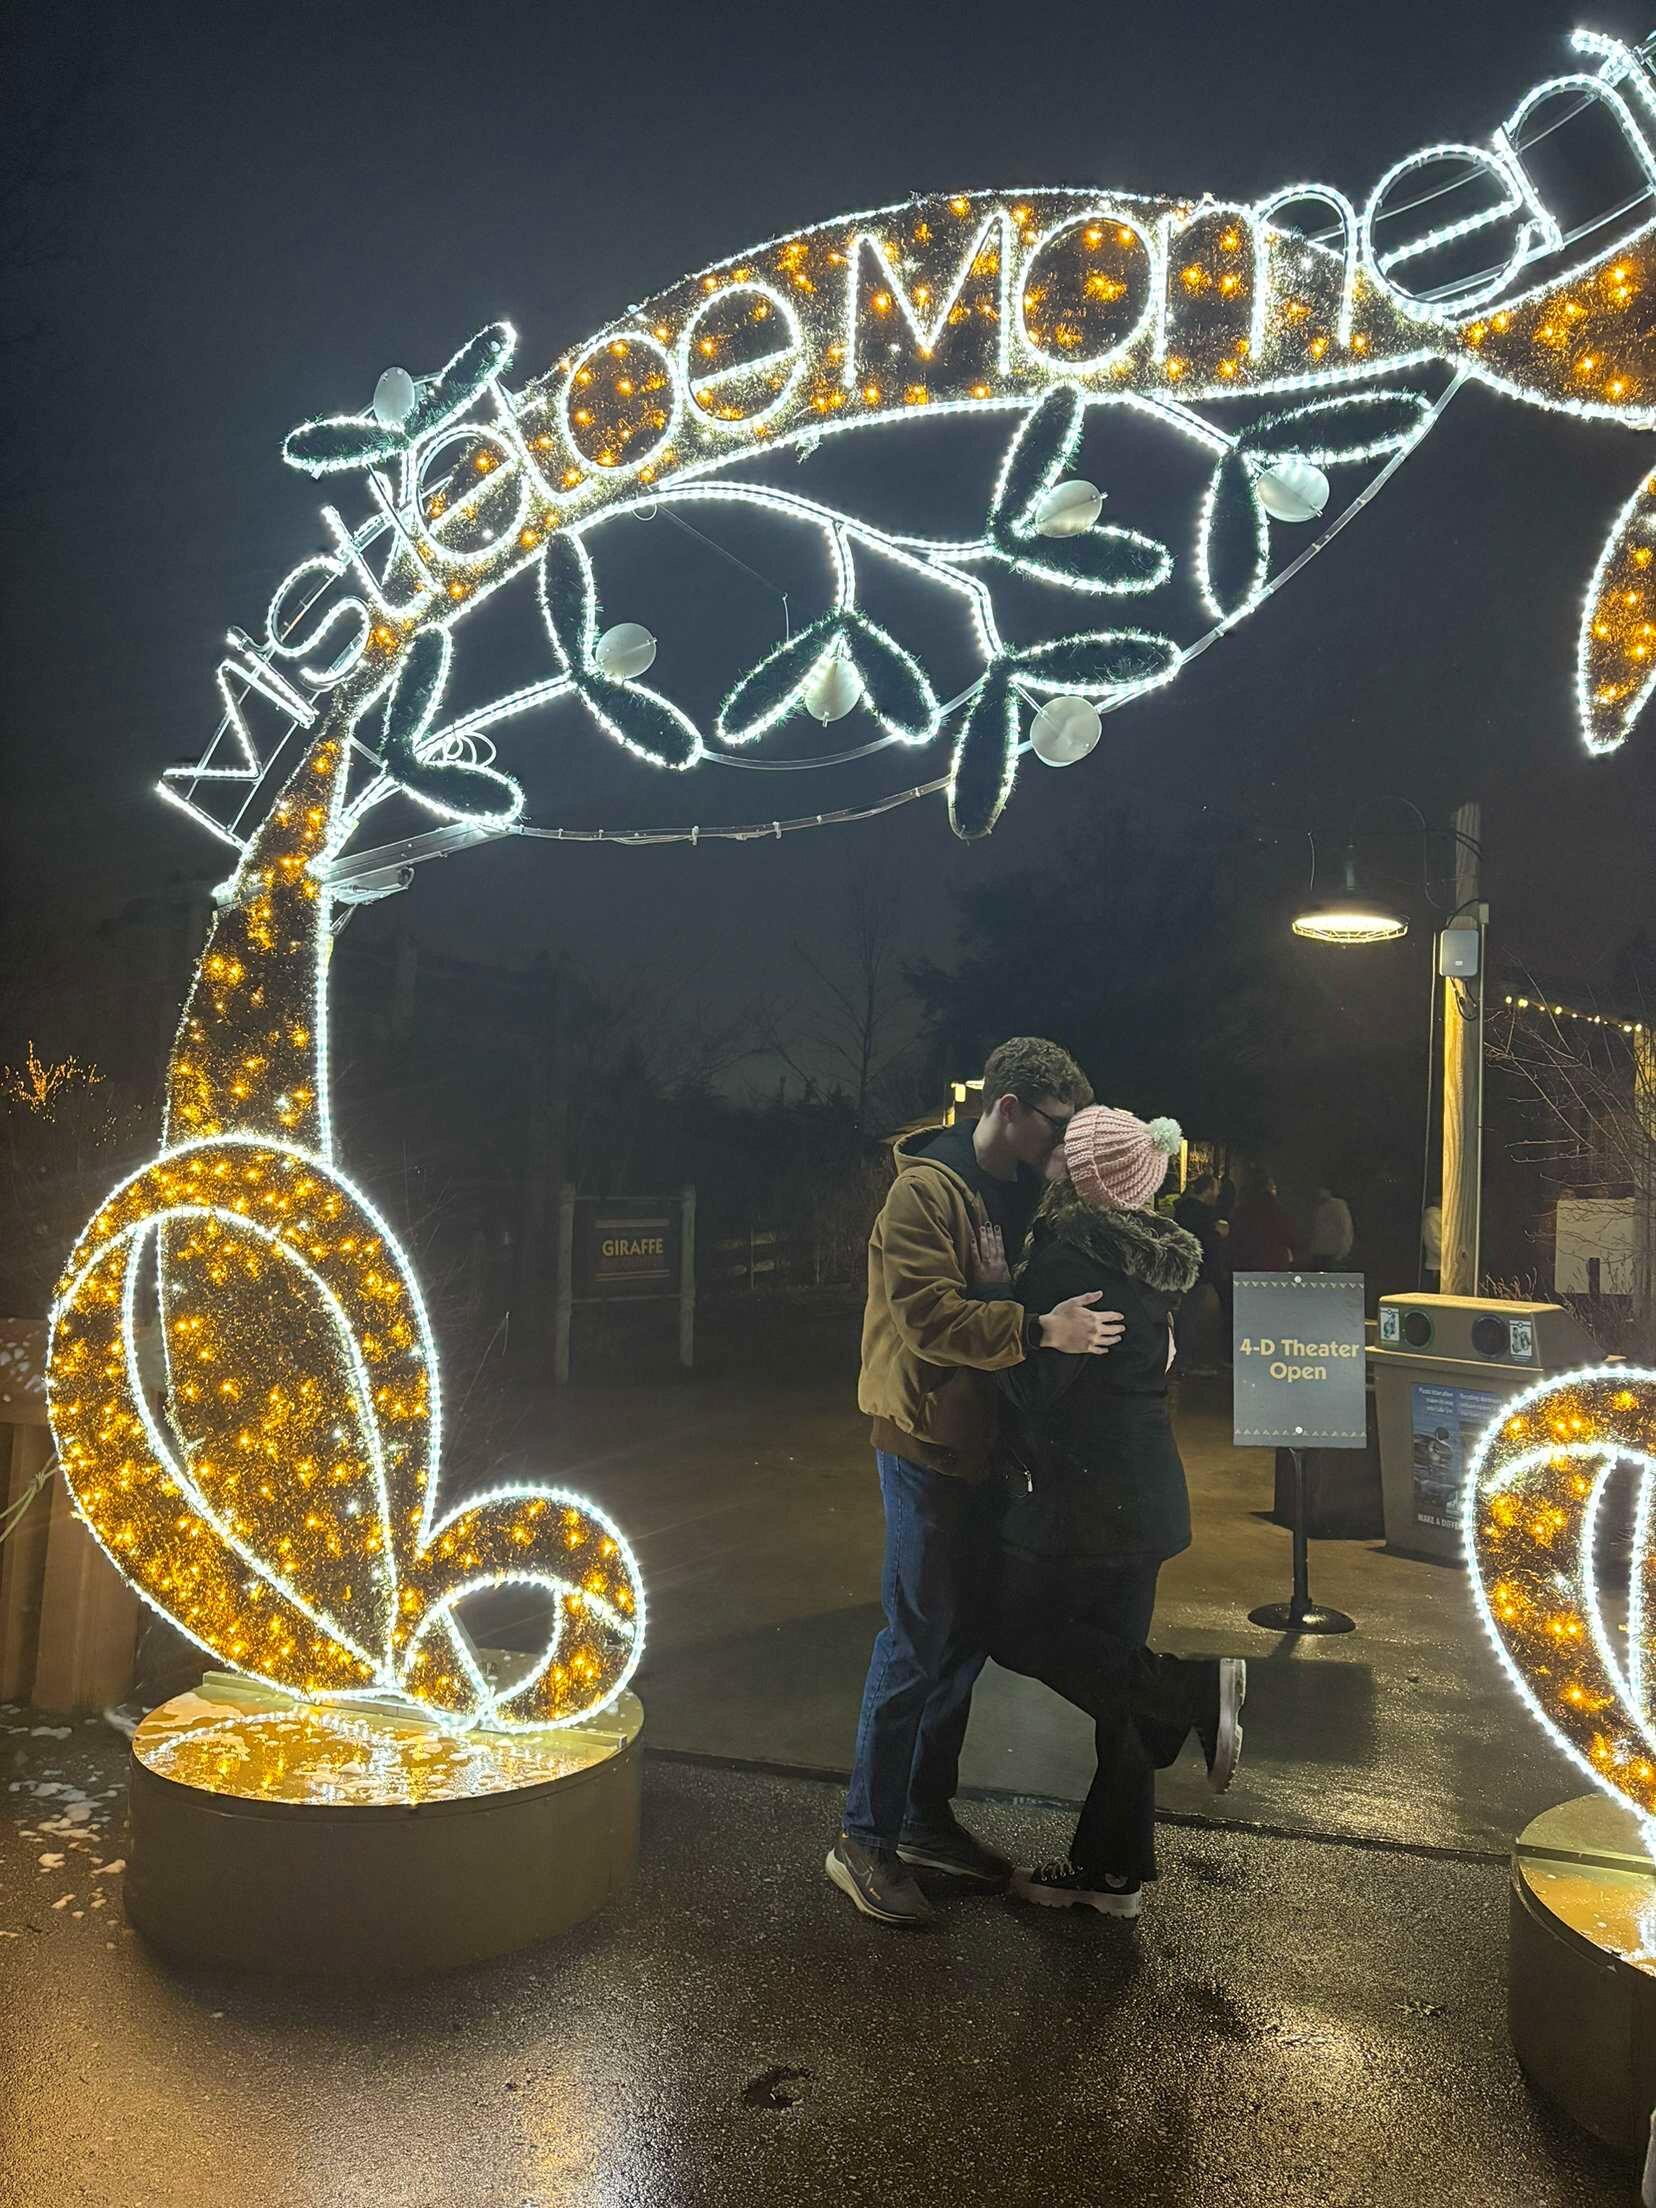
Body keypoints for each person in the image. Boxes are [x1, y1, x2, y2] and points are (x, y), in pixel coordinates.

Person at [828, 1038, 1126, 1929]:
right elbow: (928, 1318)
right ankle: (863, 1840)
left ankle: (922, 1820)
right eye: (1056, 1126)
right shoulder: (925, 1193)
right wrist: (1039, 1331)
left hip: (983, 1448)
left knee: (958, 1645)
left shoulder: (1019, 1190)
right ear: (1008, 1108)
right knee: (915, 1642)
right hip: (923, 1445)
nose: (1062, 1144)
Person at [988, 1104, 1245, 1917]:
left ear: (1086, 1173)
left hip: (1088, 1499)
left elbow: (1033, 1388)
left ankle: (1194, 1689)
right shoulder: (1154, 1261)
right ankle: (1112, 1870)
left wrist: (1020, 1340)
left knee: (1015, 1631)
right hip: (1145, 1496)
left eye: (1068, 1149)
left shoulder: (1070, 1259)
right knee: (1119, 1680)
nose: (1053, 1155)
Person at [1228, 1167, 1298, 1272]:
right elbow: (1289, 1235)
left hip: (1247, 1263)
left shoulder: (1243, 1210)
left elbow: (1235, 1237)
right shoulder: (1277, 1210)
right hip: (1274, 1263)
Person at [1306, 1182, 1355, 1271]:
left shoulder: (1338, 1205)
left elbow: (1346, 1228)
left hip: (1333, 1252)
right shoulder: (1318, 1207)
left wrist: (1343, 1250)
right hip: (1318, 1251)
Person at [1421, 1201, 1443, 1292]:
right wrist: (1451, 1258)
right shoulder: (1433, 1216)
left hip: (1443, 1266)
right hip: (1436, 1266)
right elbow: (1433, 1242)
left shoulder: (1441, 1215)